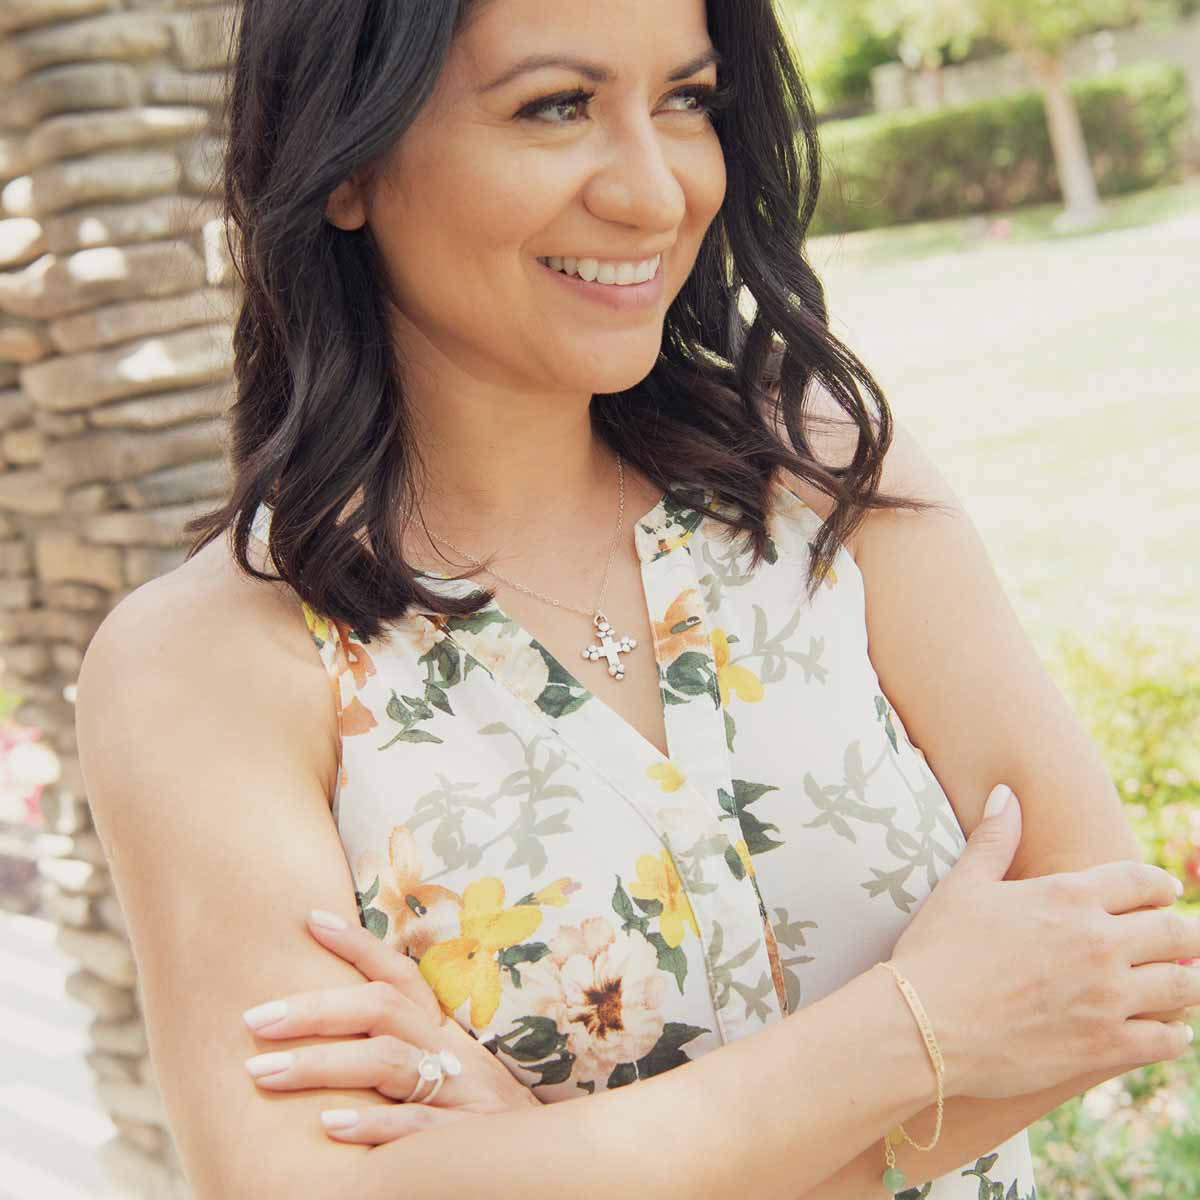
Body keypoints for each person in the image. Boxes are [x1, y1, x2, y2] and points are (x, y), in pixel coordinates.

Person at [73, 1, 1200, 1197]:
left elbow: (1118, 971)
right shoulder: (208, 664)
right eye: (556, 107)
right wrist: (926, 1027)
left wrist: (543, 1163)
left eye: (686, 100)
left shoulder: (819, 473)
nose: (657, 193)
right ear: (345, 160)